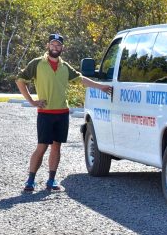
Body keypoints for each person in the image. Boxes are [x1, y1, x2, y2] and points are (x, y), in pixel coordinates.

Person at [15, 34, 113, 192]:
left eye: (58, 45)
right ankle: (30, 180)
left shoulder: (64, 66)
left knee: (56, 147)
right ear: (48, 45)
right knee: (42, 147)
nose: (55, 47)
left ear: (62, 48)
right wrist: (32, 101)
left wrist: (100, 86)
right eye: (52, 44)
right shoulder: (37, 63)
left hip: (62, 113)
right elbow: (20, 80)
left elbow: (80, 79)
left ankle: (51, 181)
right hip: (45, 113)